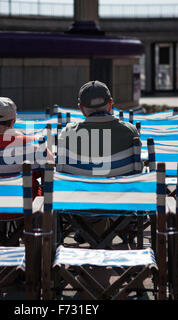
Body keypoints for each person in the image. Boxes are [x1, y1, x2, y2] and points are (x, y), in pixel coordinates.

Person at [58, 80, 141, 244]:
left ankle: (88, 233)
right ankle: (101, 235)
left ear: (81, 109)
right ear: (110, 104)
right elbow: (137, 174)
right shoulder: (130, 131)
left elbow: (61, 175)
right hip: (121, 207)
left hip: (78, 209)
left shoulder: (67, 133)